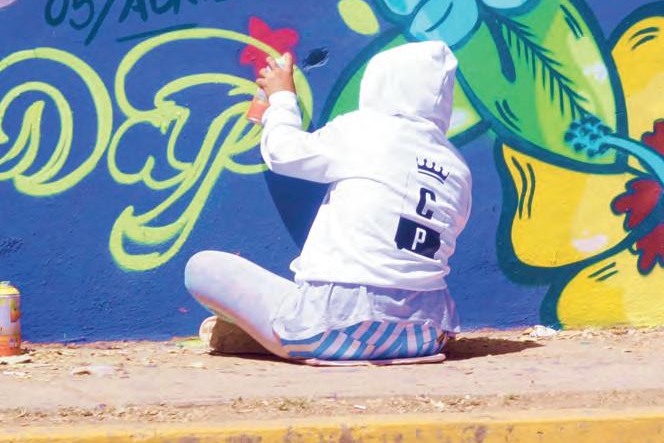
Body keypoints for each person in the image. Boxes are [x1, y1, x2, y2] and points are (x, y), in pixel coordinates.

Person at [184, 40, 472, 365]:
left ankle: (278, 339)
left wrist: (281, 98)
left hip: (332, 325)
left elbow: (283, 152)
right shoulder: (457, 166)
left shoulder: (367, 130)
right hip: (425, 335)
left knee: (202, 267)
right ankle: (278, 339)